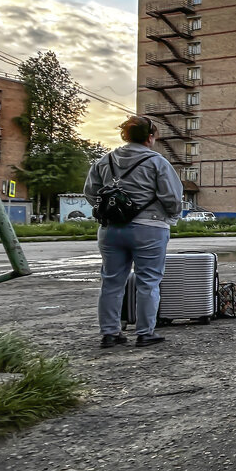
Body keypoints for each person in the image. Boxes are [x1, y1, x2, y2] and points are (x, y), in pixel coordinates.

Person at [84, 115, 183, 348]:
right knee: (148, 281)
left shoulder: (104, 161)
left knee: (111, 282)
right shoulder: (157, 162)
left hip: (110, 230)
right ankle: (145, 333)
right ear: (150, 138)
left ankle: (110, 333)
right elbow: (172, 198)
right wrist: (169, 216)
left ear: (124, 135)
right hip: (150, 228)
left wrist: (113, 211)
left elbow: (91, 193)